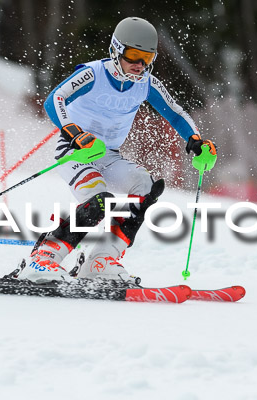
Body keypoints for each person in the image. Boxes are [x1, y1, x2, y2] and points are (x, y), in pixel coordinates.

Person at [17, 17, 216, 284]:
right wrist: (74, 133)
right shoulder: (94, 73)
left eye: (147, 58)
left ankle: (101, 261)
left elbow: (177, 114)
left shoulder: (146, 83)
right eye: (133, 55)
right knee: (99, 199)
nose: (139, 65)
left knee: (146, 186)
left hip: (108, 154)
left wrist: (196, 141)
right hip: (75, 151)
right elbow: (56, 99)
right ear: (116, 50)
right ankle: (44, 258)